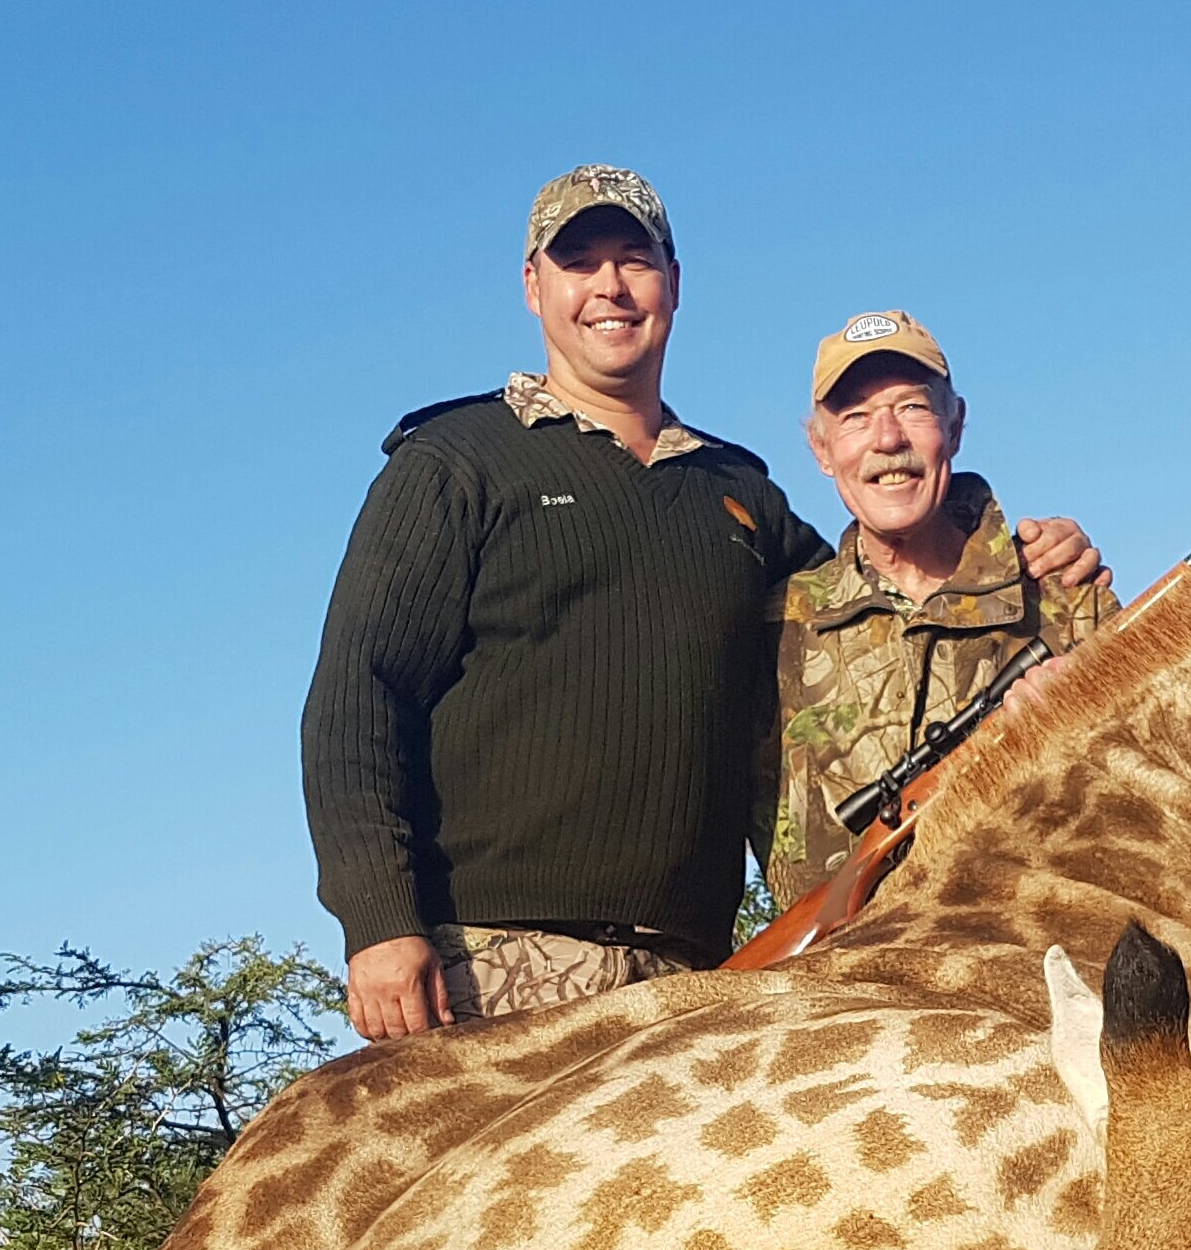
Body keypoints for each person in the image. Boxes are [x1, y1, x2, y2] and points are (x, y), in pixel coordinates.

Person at [300, 167, 1103, 1038]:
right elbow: (358, 695)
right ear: (534, 287)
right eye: (579, 262)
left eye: (633, 261)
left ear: (673, 286)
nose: (609, 287)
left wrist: (1016, 550)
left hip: (693, 983)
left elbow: (885, 569)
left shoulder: (737, 496)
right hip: (487, 964)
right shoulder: (456, 462)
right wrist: (379, 922)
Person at [761, 311, 1118, 906]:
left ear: (954, 426)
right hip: (842, 985)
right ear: (821, 450)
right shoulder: (778, 630)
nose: (887, 439)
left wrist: (1073, 734)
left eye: (912, 407)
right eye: (855, 417)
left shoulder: (1065, 594)